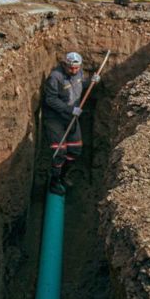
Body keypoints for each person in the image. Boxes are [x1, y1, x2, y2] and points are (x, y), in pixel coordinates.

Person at [42, 51, 100, 195]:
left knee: (75, 150)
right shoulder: (56, 77)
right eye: (71, 68)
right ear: (65, 64)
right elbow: (51, 99)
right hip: (55, 118)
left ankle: (62, 175)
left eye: (77, 68)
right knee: (59, 151)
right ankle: (54, 182)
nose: (74, 70)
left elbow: (79, 85)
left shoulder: (79, 73)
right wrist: (70, 109)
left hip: (70, 117)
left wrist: (92, 81)